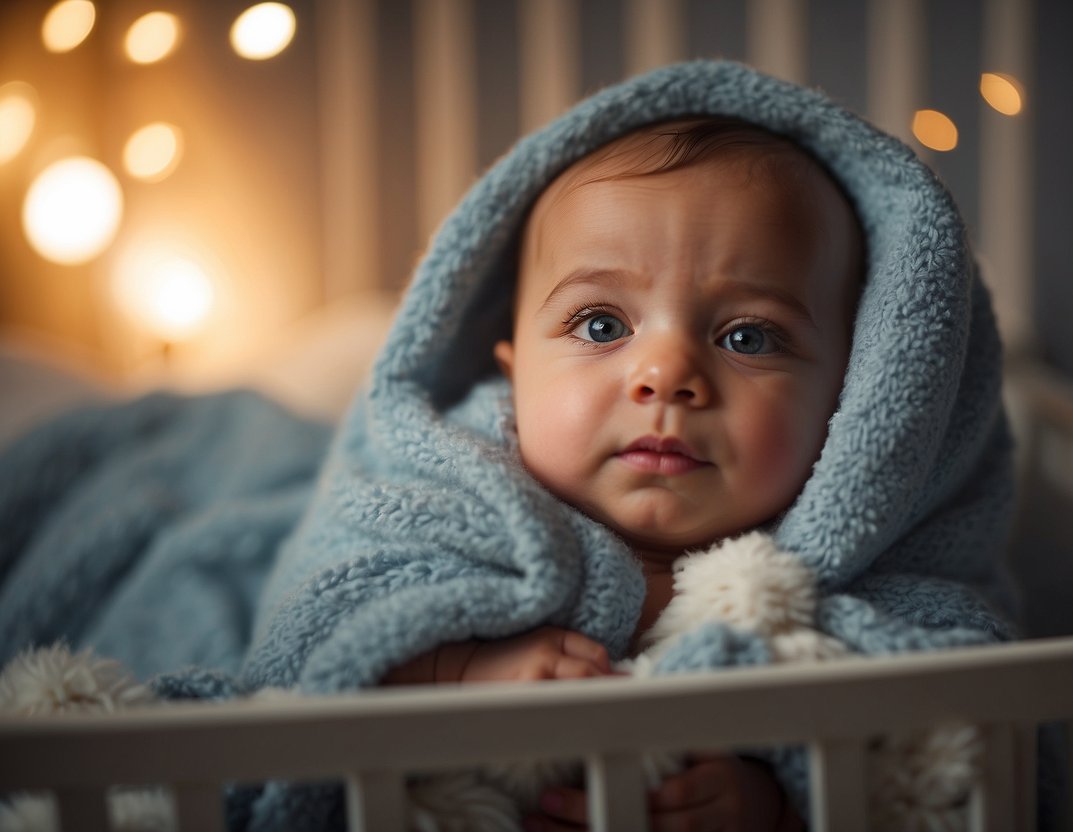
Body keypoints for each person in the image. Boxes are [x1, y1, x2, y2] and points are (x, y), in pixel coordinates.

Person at [242, 60, 1016, 831]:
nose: (666, 374)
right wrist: (462, 669)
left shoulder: (867, 600)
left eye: (747, 336)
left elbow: (943, 766)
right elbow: (312, 641)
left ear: (857, 403)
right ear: (513, 376)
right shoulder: (444, 504)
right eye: (601, 325)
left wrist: (777, 803)